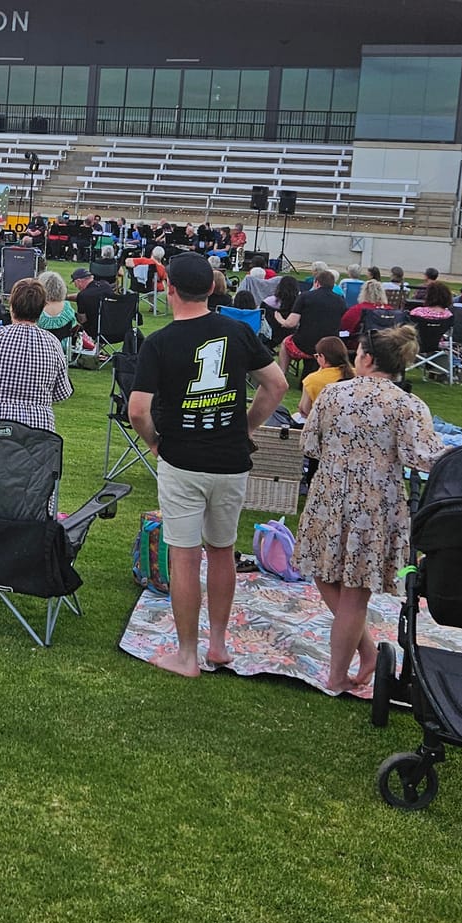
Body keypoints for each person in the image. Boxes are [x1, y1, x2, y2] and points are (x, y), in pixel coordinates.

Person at [127, 253, 286, 678]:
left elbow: (138, 410)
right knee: (221, 552)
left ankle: (188, 655)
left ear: (169, 288)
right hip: (230, 460)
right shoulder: (237, 330)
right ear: (213, 288)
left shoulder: (159, 342)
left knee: (184, 556)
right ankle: (217, 644)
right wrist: (246, 425)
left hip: (183, 459)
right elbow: (277, 384)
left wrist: (155, 442)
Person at [294, 326, 446, 693]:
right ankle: (367, 652)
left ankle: (336, 676)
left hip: (331, 495)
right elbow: (424, 457)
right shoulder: (408, 405)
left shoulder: (332, 394)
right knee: (343, 586)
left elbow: (309, 443)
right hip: (376, 504)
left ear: (366, 357)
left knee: (344, 588)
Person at [0, 277, 74, 433]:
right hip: (37, 430)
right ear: (43, 307)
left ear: (11, 306)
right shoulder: (53, 344)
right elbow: (61, 393)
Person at [298, 336, 353, 417]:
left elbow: (304, 410)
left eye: (317, 356)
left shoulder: (312, 379)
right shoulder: (357, 374)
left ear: (322, 358)